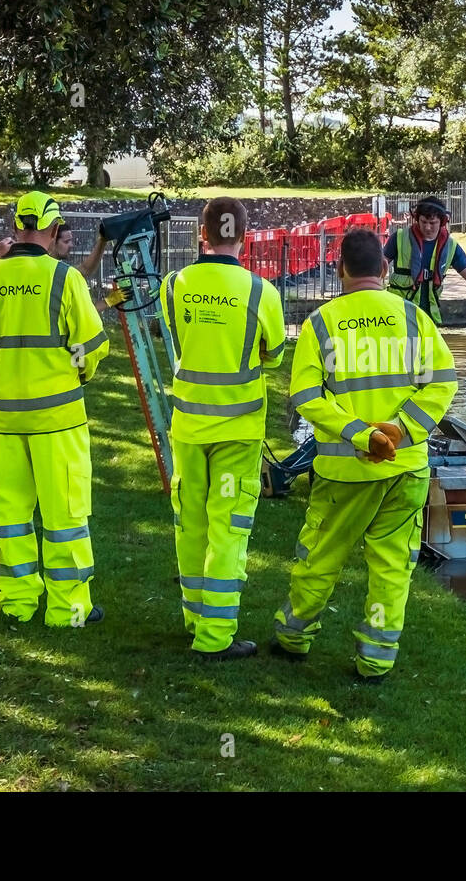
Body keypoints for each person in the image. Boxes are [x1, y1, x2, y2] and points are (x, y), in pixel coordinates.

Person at [273, 228, 457, 680]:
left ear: (340, 271)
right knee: (392, 565)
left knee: (321, 555)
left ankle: (294, 635)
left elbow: (306, 396)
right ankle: (376, 658)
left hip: (343, 471)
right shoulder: (414, 317)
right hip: (406, 467)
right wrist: (400, 429)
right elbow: (443, 382)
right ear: (386, 269)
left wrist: (359, 434)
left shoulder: (322, 322)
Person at [0, 191, 110, 627]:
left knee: (10, 516)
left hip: (2, 419)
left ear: (17, 227)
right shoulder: (64, 279)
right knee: (65, 515)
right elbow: (92, 346)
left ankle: (17, 602)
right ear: (53, 229)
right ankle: (69, 609)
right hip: (58, 420)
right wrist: (76, 375)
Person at [161, 196, 286, 660]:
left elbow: (176, 335)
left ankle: (196, 618)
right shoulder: (262, 292)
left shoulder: (174, 284)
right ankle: (215, 636)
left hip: (189, 424)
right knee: (227, 528)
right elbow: (272, 354)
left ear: (203, 236)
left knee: (190, 522)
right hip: (238, 427)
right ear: (245, 238)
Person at [384, 195, 466, 325]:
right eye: (423, 222)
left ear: (442, 222)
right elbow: (378, 266)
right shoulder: (399, 238)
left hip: (429, 318)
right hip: (399, 315)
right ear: (416, 219)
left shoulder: (451, 247)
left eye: (432, 223)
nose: (427, 227)